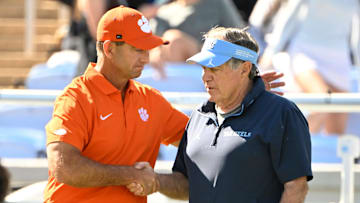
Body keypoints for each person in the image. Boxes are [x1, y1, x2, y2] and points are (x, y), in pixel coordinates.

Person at [45, 6, 285, 203]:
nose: (146, 58)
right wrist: (129, 175)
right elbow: (63, 166)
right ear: (109, 48)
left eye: (147, 49)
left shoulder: (150, 101)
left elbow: (205, 137)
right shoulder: (76, 98)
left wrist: (238, 89)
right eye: (137, 49)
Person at [127, 27, 312, 202]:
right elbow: (185, 184)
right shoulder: (199, 116)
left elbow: (296, 186)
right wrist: (156, 180)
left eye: (214, 69)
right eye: (203, 68)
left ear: (245, 69)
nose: (205, 77)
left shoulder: (281, 113)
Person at [252, 0, 360, 135]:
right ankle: (293, 150)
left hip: (339, 57)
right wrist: (271, 52)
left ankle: (322, 155)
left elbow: (357, 29)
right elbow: (290, 16)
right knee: (322, 102)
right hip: (305, 52)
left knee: (338, 123)